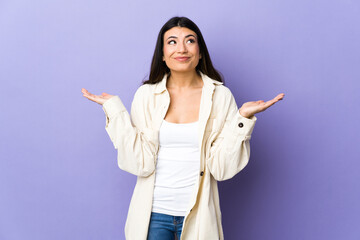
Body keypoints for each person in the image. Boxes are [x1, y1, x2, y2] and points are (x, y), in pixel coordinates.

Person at [82, 16, 284, 240]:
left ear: (199, 52)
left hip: (199, 217)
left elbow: (221, 168)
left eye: (189, 40)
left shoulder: (220, 96)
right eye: (172, 42)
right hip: (153, 217)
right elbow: (139, 162)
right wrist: (116, 112)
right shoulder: (146, 95)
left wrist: (242, 119)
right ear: (162, 55)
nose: (181, 48)